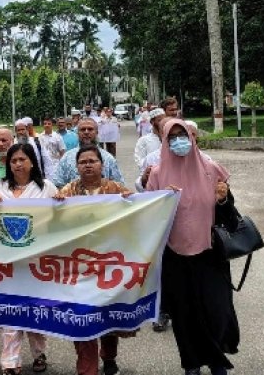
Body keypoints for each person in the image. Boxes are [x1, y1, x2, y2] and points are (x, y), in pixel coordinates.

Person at [146, 120, 239, 375]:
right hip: (174, 258)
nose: (178, 141)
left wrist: (222, 200)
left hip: (210, 256)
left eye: (182, 135)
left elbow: (230, 220)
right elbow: (149, 222)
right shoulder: (156, 175)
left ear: (192, 137)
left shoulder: (211, 170)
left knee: (217, 311)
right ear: (164, 142)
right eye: (172, 137)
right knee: (184, 317)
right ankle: (192, 365)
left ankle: (217, 361)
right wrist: (162, 201)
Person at [53, 145, 132, 375]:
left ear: (102, 164)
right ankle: (87, 369)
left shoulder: (116, 189)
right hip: (78, 266)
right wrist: (55, 204)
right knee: (83, 318)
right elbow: (51, 220)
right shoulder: (68, 191)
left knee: (106, 316)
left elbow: (135, 217)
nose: (88, 165)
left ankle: (108, 358)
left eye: (92, 161)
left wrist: (131, 202)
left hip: (108, 265)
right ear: (76, 167)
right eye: (83, 162)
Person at [0, 143, 58, 375]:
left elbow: (60, 218)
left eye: (22, 159)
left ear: (32, 162)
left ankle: (39, 354)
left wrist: (60, 205)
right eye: (13, 160)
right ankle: (10, 361)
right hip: (7, 262)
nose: (17, 164)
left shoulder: (46, 188)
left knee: (33, 309)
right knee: (10, 310)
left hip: (36, 261)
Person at [51, 118, 125, 189]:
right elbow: (57, 184)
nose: (86, 132)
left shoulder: (108, 159)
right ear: (77, 133)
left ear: (97, 132)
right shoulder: (67, 158)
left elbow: (119, 186)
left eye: (90, 129)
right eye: (83, 129)